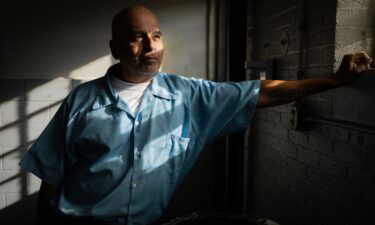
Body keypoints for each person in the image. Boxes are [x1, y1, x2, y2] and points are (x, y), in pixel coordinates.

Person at [19, 4, 373, 225]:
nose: (151, 46)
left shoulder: (189, 96)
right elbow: (51, 176)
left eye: (156, 35)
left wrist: (335, 80)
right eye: (137, 37)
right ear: (115, 48)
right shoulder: (82, 100)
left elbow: (264, 91)